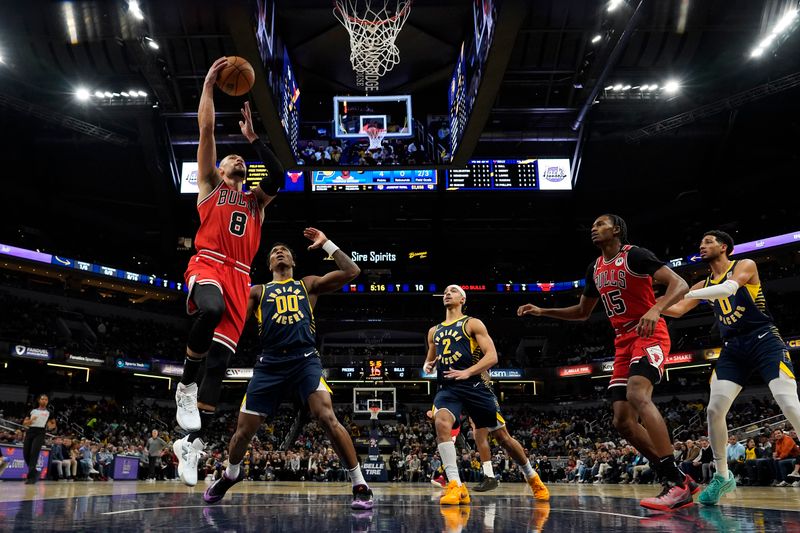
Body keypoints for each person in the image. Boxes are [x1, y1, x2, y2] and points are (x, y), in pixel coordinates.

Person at [517, 214, 696, 511]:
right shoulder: (595, 268)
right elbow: (582, 313)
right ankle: (677, 478)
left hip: (649, 333)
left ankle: (676, 485)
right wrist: (542, 311)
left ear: (616, 230)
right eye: (592, 225)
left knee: (638, 394)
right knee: (622, 422)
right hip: (622, 342)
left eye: (600, 224)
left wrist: (656, 309)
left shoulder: (635, 255)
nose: (593, 228)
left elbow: (679, 284)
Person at [203, 228, 374, 510]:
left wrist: (327, 244)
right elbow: (234, 322)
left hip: (304, 359)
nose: (279, 252)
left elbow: (352, 271)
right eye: (273, 252)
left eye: (284, 251)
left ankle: (359, 483)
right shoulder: (257, 291)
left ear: (293, 261)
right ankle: (231, 473)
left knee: (326, 416)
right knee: (243, 432)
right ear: (269, 264)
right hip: (269, 363)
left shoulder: (307, 285)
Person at [174, 57, 285, 487]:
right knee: (210, 308)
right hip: (209, 263)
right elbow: (205, 131)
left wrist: (254, 139)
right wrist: (206, 83)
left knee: (219, 364)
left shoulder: (257, 202)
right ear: (219, 171)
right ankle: (184, 385)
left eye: (240, 158)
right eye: (229, 158)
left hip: (241, 276)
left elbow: (278, 175)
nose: (234, 159)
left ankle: (192, 444)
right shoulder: (209, 187)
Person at [662, 230, 800, 504]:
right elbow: (676, 311)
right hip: (733, 349)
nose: (702, 245)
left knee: (788, 402)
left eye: (708, 242)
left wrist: (684, 292)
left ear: (725, 247)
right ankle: (723, 477)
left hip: (764, 339)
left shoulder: (745, 265)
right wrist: (645, 306)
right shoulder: (704, 282)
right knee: (714, 409)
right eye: (700, 242)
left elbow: (728, 289)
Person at [424, 285, 549, 506]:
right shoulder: (434, 331)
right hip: (448, 388)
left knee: (504, 439)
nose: (447, 293)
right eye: (445, 291)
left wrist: (468, 371)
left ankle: (532, 477)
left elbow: (492, 357)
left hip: (475, 386)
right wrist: (429, 365)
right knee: (441, 423)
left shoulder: (472, 323)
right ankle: (456, 486)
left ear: (462, 299)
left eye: (452, 291)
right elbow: (428, 364)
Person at [22, 394, 56, 484]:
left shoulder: (50, 412)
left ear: (47, 401)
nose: (44, 401)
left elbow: (53, 424)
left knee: (34, 454)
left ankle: (31, 478)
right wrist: (30, 421)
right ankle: (35, 472)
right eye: (42, 399)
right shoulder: (32, 410)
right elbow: (24, 423)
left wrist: (50, 427)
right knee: (26, 454)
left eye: (46, 399)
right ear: (39, 400)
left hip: (40, 433)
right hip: (30, 432)